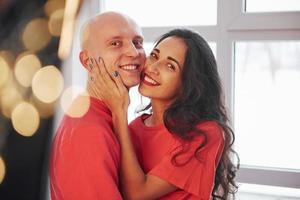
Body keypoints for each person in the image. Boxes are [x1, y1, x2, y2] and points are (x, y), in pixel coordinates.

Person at [90, 28, 239, 200]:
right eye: (154, 56)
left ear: (189, 82)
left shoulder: (205, 134)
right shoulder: (133, 129)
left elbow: (136, 194)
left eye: (170, 65)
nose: (152, 67)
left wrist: (119, 110)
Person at [49, 12, 146, 200]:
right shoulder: (88, 130)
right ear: (87, 61)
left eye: (137, 42)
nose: (133, 53)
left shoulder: (101, 115)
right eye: (115, 43)